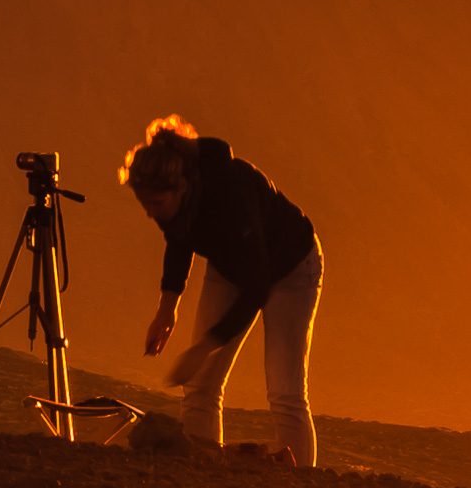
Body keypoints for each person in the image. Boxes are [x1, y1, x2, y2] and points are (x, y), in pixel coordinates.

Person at [119, 115, 324, 465]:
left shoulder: (230, 194)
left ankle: (300, 486)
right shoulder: (177, 204)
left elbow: (257, 286)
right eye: (145, 205)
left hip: (291, 267)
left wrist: (203, 348)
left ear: (181, 186)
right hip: (229, 264)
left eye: (157, 204)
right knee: (200, 387)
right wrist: (167, 307)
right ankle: (203, 472)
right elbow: (179, 239)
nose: (152, 214)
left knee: (285, 392)